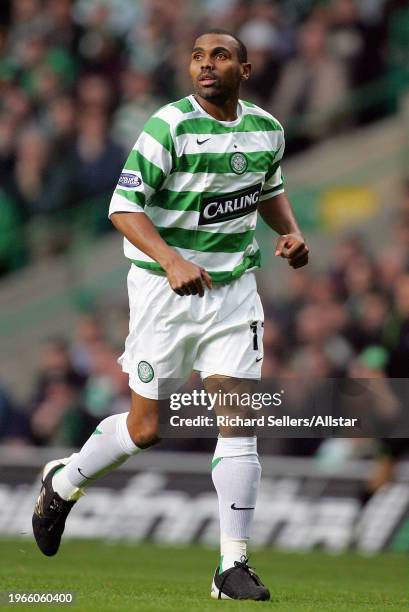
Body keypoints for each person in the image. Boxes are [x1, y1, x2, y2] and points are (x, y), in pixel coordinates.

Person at [32, 29, 309, 601]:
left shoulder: (267, 130)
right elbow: (122, 207)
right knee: (146, 430)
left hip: (234, 292)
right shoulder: (169, 126)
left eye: (221, 56)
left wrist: (292, 232)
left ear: (245, 70)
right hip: (165, 293)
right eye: (198, 57)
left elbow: (266, 189)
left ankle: (232, 566)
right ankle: (64, 483)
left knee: (239, 422)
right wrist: (171, 259)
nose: (206, 65)